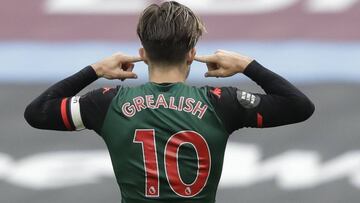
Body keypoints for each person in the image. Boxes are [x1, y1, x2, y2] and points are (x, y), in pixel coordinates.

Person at [24, 1, 314, 203]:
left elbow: (38, 112)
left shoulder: (106, 103)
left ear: (143, 53)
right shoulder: (221, 103)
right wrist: (247, 65)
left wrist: (95, 70)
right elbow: (298, 106)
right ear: (191, 54)